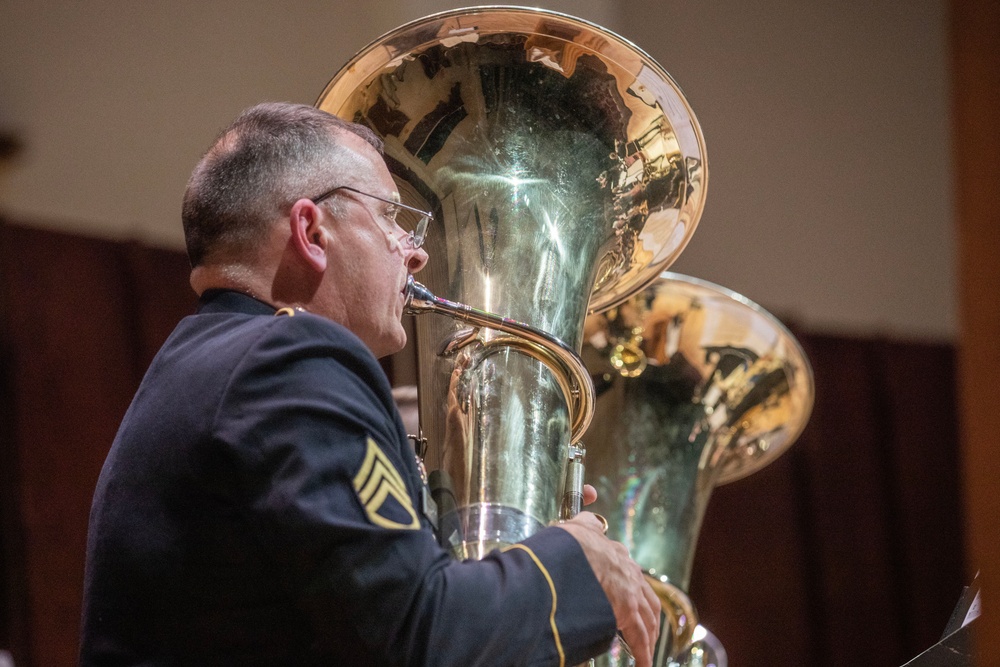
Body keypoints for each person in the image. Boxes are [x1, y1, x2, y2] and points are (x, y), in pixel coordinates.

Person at [80, 102, 660, 666]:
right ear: (312, 229)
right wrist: (576, 567)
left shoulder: (208, 363)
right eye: (391, 217)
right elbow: (419, 636)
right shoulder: (291, 358)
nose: (416, 254)